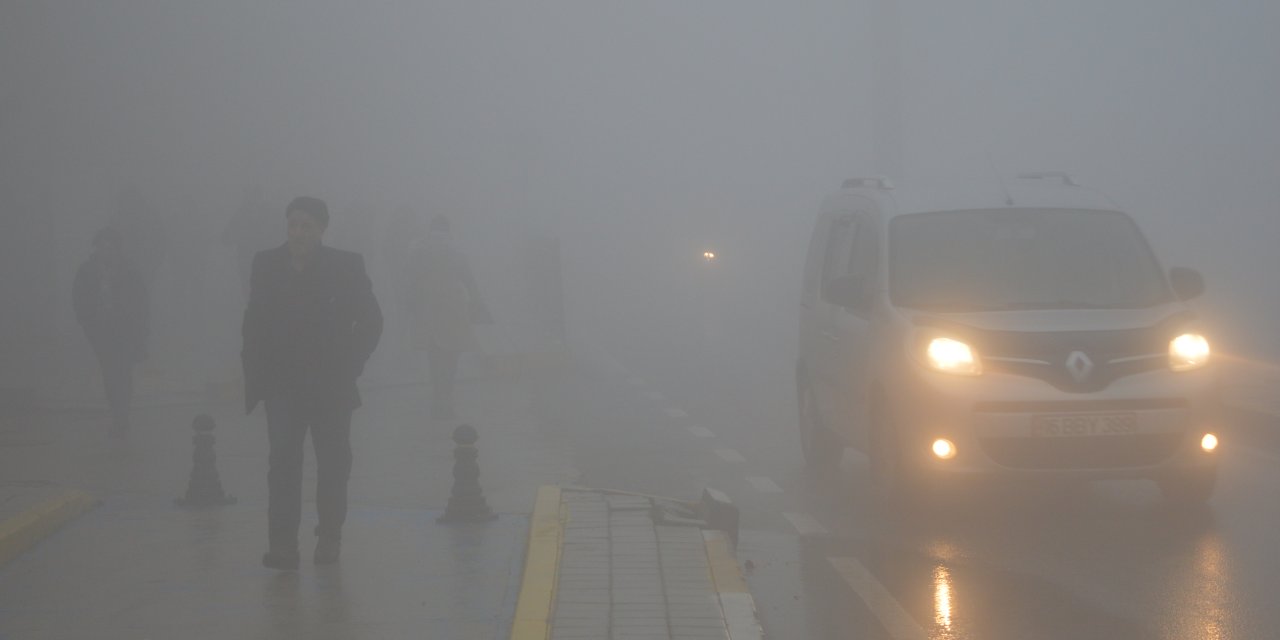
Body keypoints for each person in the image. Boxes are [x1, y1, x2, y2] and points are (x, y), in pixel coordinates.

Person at [241, 197, 383, 570]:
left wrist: (350, 364)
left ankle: (330, 535)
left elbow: (371, 322)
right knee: (283, 462)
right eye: (293, 224)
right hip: (281, 387)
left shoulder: (345, 266)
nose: (298, 232)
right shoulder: (266, 264)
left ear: (321, 229)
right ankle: (283, 544)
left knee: (334, 464)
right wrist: (255, 372)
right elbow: (253, 321)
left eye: (306, 225)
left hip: (331, 387)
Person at [73, 228, 149, 434]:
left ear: (117, 248)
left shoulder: (129, 270)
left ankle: (122, 412)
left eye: (110, 246)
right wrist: (87, 321)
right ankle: (117, 409)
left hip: (124, 329)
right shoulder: (87, 271)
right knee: (110, 370)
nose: (106, 250)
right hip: (100, 331)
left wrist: (136, 323)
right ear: (96, 247)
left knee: (123, 369)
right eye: (102, 246)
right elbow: (79, 298)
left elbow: (141, 300)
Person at [412, 215, 487, 420]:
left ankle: (439, 393)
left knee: (434, 352)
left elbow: (411, 279)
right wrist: (477, 301)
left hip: (428, 306)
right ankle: (446, 393)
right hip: (453, 306)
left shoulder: (419, 250)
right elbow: (469, 280)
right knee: (452, 351)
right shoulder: (456, 252)